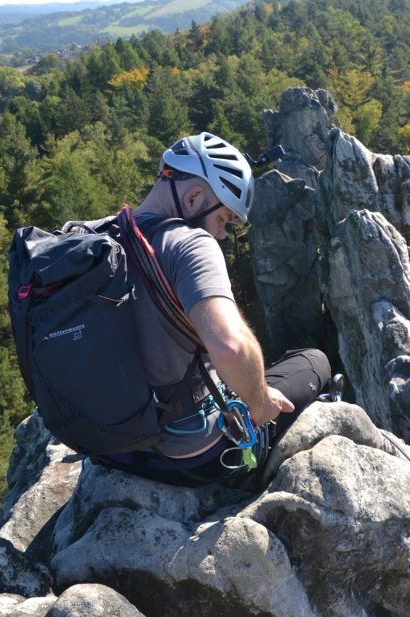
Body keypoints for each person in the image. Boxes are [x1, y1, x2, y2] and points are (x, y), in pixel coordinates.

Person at [94, 132, 331, 486]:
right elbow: (231, 347)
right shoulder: (189, 244)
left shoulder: (98, 241)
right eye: (222, 219)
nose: (221, 234)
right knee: (314, 361)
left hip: (111, 452)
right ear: (193, 197)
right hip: (186, 458)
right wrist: (260, 401)